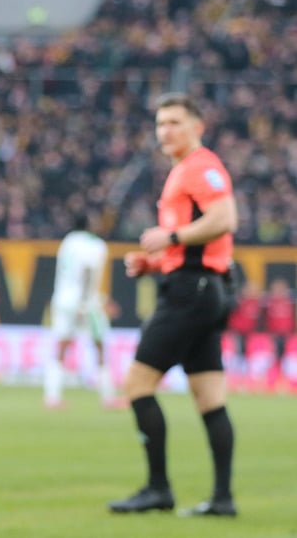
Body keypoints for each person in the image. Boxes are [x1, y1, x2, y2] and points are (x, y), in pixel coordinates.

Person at [108, 92, 238, 517]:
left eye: (175, 122)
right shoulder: (185, 170)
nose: (165, 131)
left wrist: (172, 238)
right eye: (161, 123)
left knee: (137, 385)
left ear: (197, 127)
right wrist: (156, 262)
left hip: (190, 292)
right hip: (204, 288)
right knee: (210, 397)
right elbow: (197, 243)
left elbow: (225, 219)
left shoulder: (201, 167)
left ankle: (158, 489)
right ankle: (222, 499)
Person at [44, 215, 119, 408]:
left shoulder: (67, 241)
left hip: (62, 299)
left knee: (62, 346)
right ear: (89, 225)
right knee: (99, 345)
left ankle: (52, 397)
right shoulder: (96, 244)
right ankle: (108, 397)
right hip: (85, 302)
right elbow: (87, 271)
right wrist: (84, 302)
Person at [263, 277, 295, 390]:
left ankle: (285, 381)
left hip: (287, 334)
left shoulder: (290, 301)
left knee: (286, 358)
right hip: (273, 335)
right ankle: (272, 379)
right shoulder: (268, 302)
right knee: (274, 357)